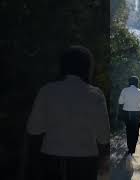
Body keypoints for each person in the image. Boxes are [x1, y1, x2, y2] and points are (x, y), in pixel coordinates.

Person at [27, 46, 110, 180]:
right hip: (85, 162)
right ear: (87, 67)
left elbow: (33, 129)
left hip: (51, 160)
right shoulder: (96, 94)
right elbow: (104, 136)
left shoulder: (47, 91)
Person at [118, 76, 140, 167]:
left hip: (126, 113)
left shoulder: (124, 90)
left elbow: (120, 102)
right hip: (136, 114)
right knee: (135, 131)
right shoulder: (139, 91)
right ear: (137, 82)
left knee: (128, 130)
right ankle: (132, 149)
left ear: (129, 82)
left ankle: (129, 148)